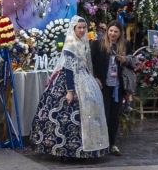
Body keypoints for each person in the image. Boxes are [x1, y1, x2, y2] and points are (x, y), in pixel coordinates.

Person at [29, 17, 109, 158]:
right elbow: (69, 70)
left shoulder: (83, 43)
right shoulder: (70, 45)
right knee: (66, 114)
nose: (82, 30)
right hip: (71, 81)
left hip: (85, 78)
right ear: (73, 28)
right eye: (79, 27)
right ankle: (65, 149)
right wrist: (70, 91)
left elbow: (87, 65)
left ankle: (89, 148)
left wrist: (94, 78)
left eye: (84, 27)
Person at [91, 22, 132, 155]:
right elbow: (90, 64)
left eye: (116, 32)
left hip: (118, 87)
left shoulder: (125, 45)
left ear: (120, 33)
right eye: (111, 31)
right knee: (104, 114)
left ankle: (112, 144)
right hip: (103, 86)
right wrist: (95, 77)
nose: (112, 34)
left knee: (114, 116)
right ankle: (101, 144)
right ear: (107, 31)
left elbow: (132, 64)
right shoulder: (98, 45)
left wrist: (124, 60)